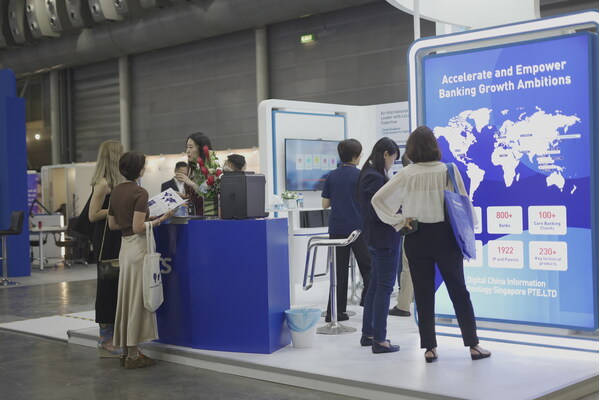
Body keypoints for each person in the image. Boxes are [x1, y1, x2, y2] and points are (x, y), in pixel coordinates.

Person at [371, 126, 491, 363]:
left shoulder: (407, 173)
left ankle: (430, 348)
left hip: (416, 236)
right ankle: (473, 345)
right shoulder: (448, 169)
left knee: (423, 294)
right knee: (459, 291)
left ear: (411, 149)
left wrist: (399, 221)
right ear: (435, 146)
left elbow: (378, 199)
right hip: (446, 236)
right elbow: (464, 203)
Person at [108, 151, 175, 369]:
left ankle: (127, 351)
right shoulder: (140, 192)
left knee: (126, 299)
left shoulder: (116, 191)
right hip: (138, 248)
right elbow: (138, 228)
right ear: (139, 169)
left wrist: (144, 218)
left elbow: (113, 225)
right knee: (137, 300)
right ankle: (133, 356)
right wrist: (161, 219)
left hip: (125, 249)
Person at [358, 137, 402, 354]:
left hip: (376, 238)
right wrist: (400, 216)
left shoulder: (368, 174)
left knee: (375, 286)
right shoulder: (374, 177)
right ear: (385, 154)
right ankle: (380, 340)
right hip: (384, 238)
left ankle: (369, 334)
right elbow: (378, 211)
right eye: (393, 159)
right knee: (384, 288)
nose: (392, 164)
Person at [321, 139, 371, 322]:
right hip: (358, 229)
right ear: (356, 156)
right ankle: (368, 303)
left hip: (337, 228)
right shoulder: (361, 176)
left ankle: (335, 311)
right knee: (368, 267)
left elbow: (325, 204)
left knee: (339, 272)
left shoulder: (331, 176)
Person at [88, 140, 124, 358]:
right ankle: (105, 337)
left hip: (115, 237)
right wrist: (116, 207)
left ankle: (113, 333)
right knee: (107, 288)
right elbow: (93, 215)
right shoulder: (103, 184)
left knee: (117, 287)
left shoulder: (116, 183)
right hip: (104, 241)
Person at [389, 153, 414, 317]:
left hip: (409, 226)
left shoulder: (402, 178)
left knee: (407, 267)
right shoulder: (437, 172)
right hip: (433, 226)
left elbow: (381, 200)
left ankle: (404, 305)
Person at [175, 132, 213, 215]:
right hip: (194, 216)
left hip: (206, 217)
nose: (187, 151)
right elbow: (198, 196)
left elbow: (210, 196)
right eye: (187, 147)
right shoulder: (194, 169)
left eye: (191, 147)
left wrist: (190, 183)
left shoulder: (210, 169)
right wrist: (185, 197)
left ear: (201, 149)